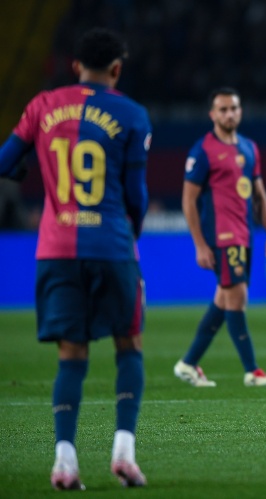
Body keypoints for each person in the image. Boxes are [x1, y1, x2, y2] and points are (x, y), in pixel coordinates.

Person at [0, 28, 150, 489]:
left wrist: (25, 169)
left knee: (71, 355)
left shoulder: (42, 106)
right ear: (117, 69)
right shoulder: (132, 114)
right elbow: (137, 195)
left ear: (75, 66)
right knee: (129, 343)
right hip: (111, 246)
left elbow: (4, 162)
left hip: (56, 249)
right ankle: (123, 453)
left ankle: (64, 462)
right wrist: (132, 232)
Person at [173, 87, 266, 388]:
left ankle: (188, 363)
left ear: (240, 111)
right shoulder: (203, 151)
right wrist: (199, 244)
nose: (229, 114)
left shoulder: (249, 148)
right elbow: (188, 200)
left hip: (245, 234)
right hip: (222, 236)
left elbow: (259, 194)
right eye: (223, 109)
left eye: (233, 108)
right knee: (237, 296)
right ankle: (252, 370)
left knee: (224, 298)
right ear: (212, 114)